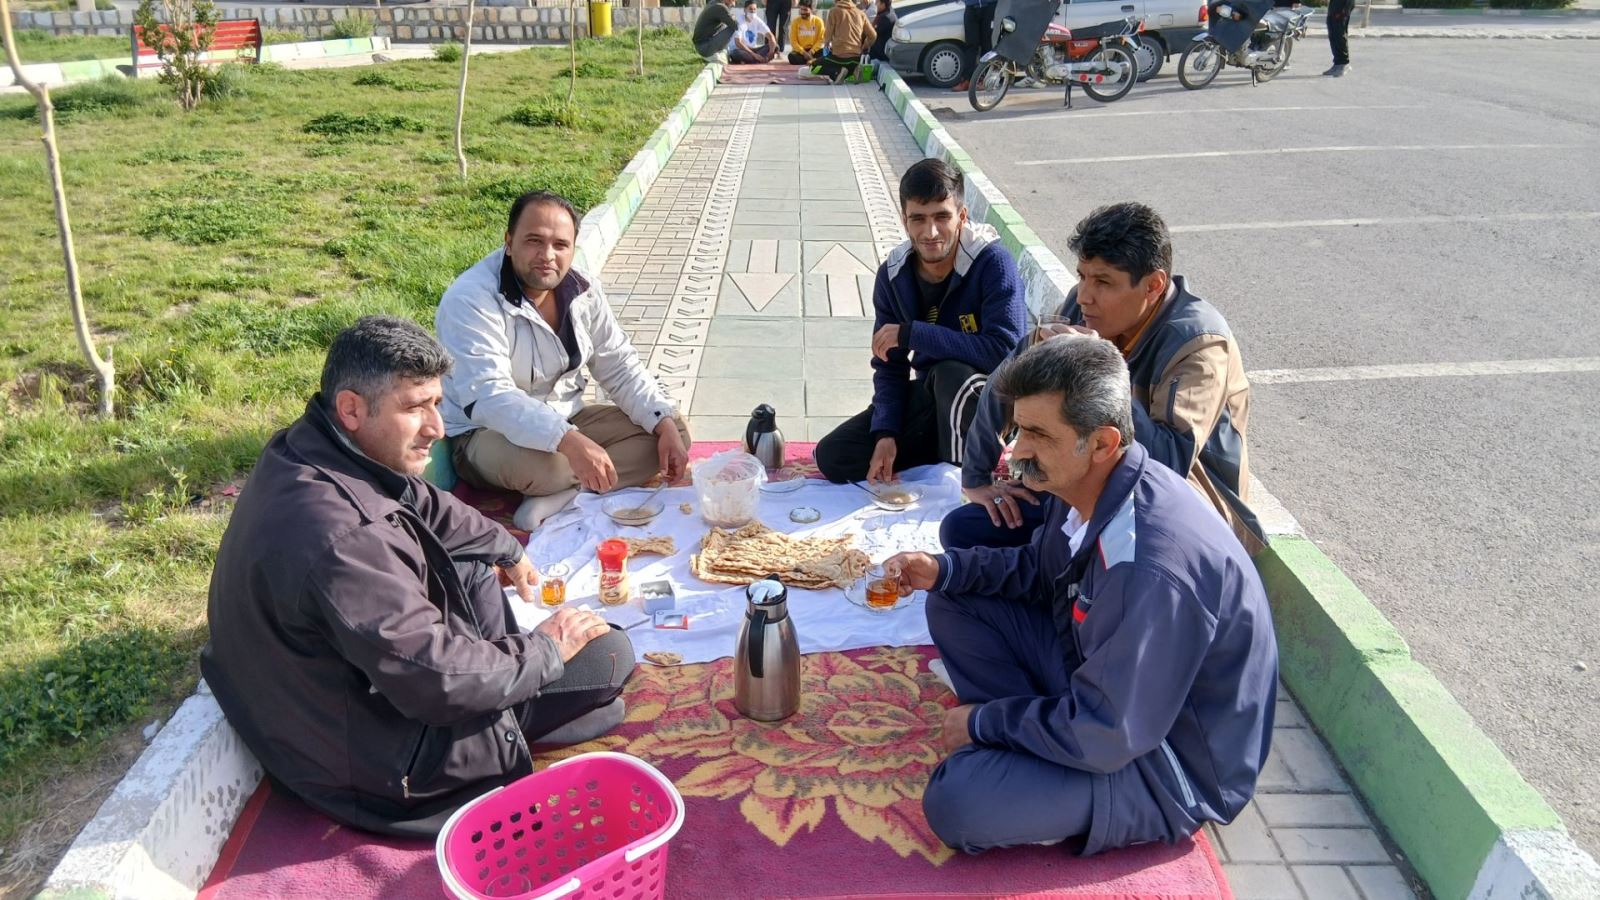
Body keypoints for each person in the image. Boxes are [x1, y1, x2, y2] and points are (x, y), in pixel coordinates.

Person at [201, 316, 634, 837]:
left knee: (473, 560)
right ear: (352, 408)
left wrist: (506, 549)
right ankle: (511, 713)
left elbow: (426, 505)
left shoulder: (318, 447)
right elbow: (438, 681)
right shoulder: (346, 540)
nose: (437, 427)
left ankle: (511, 695)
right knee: (610, 655)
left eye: (436, 403)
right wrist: (544, 651)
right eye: (414, 408)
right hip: (377, 762)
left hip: (331, 708)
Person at [884, 336, 1278, 855]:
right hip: (1104, 691)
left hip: (1164, 762)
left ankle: (1027, 757)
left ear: (1102, 443)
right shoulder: (1089, 485)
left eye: (1038, 434)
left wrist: (983, 722)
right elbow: (1039, 567)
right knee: (953, 595)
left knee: (956, 801)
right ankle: (1033, 747)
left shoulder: (1147, 566)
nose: (1018, 451)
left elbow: (1108, 731)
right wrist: (942, 568)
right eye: (1019, 429)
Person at [942, 202, 1264, 556]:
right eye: (1082, 276)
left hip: (1172, 509)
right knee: (964, 530)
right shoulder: (1082, 307)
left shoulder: (1198, 344)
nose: (1084, 296)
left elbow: (1168, 463)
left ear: (1153, 285)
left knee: (1058, 553)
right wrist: (976, 479)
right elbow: (1011, 379)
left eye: (1103, 282)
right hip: (1088, 477)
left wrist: (1099, 364)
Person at [436, 191, 692, 531]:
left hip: (565, 417)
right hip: (485, 433)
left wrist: (661, 423)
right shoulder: (471, 300)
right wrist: (568, 441)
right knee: (550, 468)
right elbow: (489, 396)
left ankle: (564, 498)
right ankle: (572, 482)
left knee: (672, 433)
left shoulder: (582, 289)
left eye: (560, 245)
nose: (547, 256)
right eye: (534, 241)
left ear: (572, 248)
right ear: (509, 242)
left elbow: (618, 364)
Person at [814, 159, 1026, 484]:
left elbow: (1006, 354)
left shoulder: (993, 263)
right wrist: (886, 432)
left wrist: (913, 334)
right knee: (835, 455)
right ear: (905, 221)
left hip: (988, 403)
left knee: (950, 373)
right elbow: (890, 367)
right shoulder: (893, 276)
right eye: (918, 219)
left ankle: (962, 480)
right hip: (933, 399)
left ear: (962, 217)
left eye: (942, 217)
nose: (930, 232)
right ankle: (942, 454)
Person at [817, 0, 876, 84]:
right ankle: (854, 70)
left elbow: (827, 36)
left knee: (814, 67)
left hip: (838, 58)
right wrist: (864, 46)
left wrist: (827, 44)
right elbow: (873, 35)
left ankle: (837, 73)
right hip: (856, 58)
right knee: (848, 65)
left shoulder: (834, 11)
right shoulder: (861, 13)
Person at [954, 0, 997, 92]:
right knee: (970, 45)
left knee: (987, 45)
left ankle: (985, 80)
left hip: (989, 6)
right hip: (971, 6)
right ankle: (967, 80)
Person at [788, 1, 826, 66]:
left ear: (812, 9)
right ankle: (813, 61)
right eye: (801, 9)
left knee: (825, 53)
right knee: (791, 56)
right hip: (801, 52)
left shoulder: (818, 21)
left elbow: (820, 40)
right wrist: (803, 52)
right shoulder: (795, 21)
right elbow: (793, 41)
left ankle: (811, 60)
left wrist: (812, 51)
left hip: (814, 51)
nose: (802, 12)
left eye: (805, 10)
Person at [1323, 0, 1353, 76]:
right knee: (1333, 36)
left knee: (1340, 36)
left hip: (1342, 8)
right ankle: (1337, 64)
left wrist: (1343, 10)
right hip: (1334, 7)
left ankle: (1344, 64)